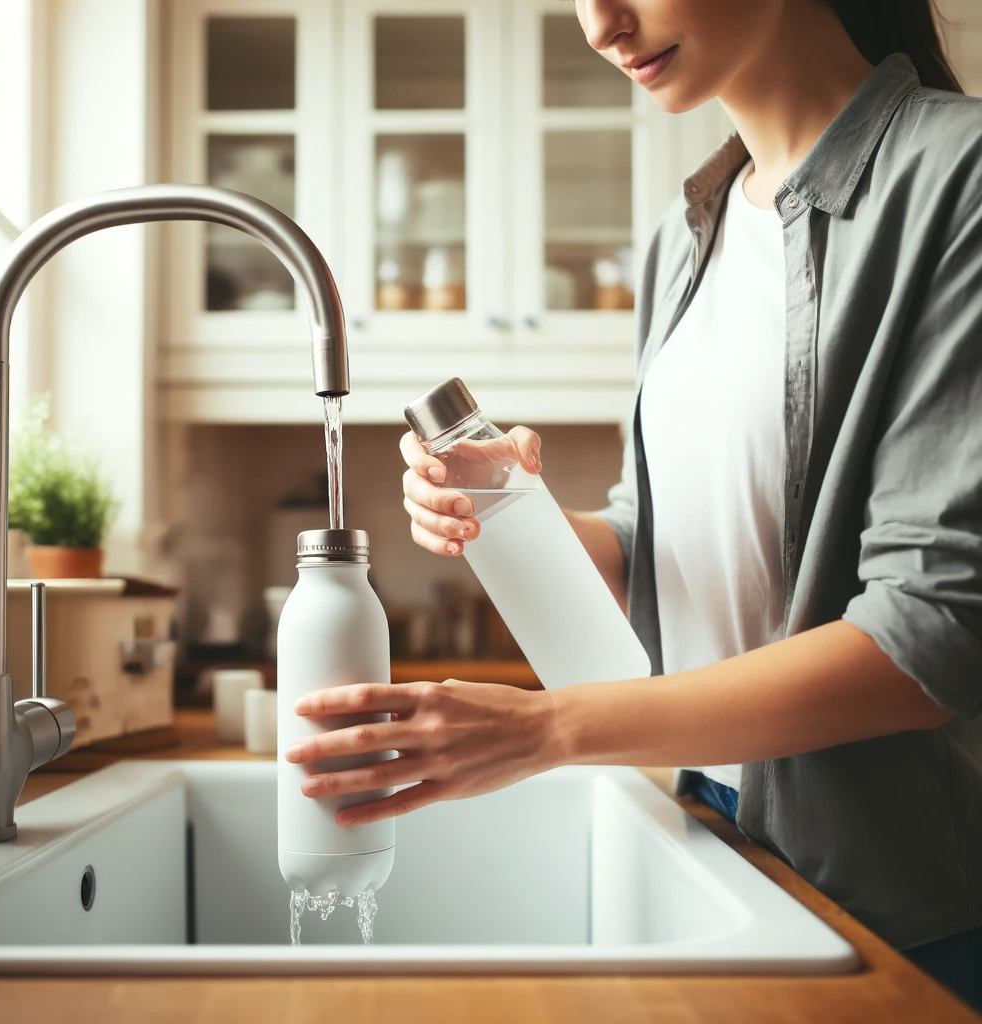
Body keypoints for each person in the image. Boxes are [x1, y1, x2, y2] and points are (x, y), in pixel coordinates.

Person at [285, 0, 982, 1008]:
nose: (599, 24)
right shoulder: (681, 234)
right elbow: (662, 547)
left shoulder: (956, 181)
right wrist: (517, 513)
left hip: (895, 908)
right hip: (714, 841)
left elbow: (934, 631)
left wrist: (547, 729)